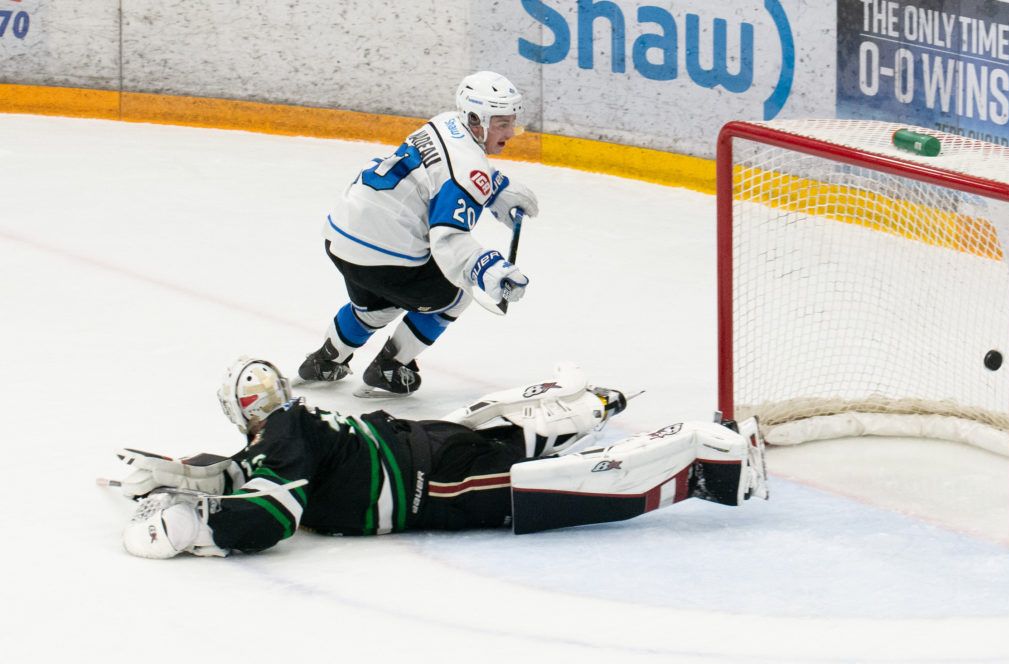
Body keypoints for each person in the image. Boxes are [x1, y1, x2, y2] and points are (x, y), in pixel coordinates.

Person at [115, 357, 769, 559]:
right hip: (423, 447)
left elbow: (274, 513)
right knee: (510, 448)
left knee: (547, 491)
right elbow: (252, 470)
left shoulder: (283, 439)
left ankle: (706, 454)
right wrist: (181, 476)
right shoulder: (291, 426)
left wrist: (199, 526)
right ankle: (593, 406)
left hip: (434, 482)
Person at [298, 70, 539, 396]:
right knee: (458, 291)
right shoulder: (468, 167)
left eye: (511, 122)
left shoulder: (445, 123)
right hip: (384, 255)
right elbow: (449, 239)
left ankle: (326, 360)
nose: (510, 132)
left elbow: (443, 169)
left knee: (378, 305)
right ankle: (390, 366)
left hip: (340, 236)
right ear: (474, 119)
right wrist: (489, 269)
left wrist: (496, 189)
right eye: (501, 124)